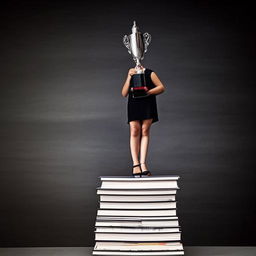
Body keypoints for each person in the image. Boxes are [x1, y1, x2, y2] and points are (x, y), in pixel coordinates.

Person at [121, 66, 165, 177]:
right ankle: (135, 164)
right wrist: (128, 76)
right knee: (134, 131)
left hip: (147, 103)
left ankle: (143, 163)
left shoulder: (150, 73)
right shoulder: (131, 72)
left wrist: (148, 92)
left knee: (145, 131)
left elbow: (161, 87)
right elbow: (124, 93)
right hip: (134, 104)